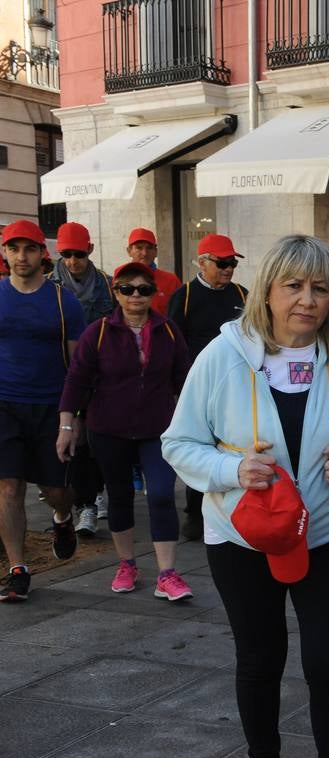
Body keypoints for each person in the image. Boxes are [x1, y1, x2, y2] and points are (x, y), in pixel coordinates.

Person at [161, 234, 329, 758]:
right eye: (294, 286)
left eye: (320, 288)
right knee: (260, 659)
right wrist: (232, 472)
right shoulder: (223, 355)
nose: (307, 300)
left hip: (326, 533)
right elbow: (178, 442)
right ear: (266, 290)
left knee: (328, 662)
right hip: (242, 536)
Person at [58, 262, 192, 599]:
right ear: (115, 293)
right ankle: (127, 563)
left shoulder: (169, 331)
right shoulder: (98, 331)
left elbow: (186, 382)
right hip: (109, 429)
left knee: (162, 494)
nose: (136, 295)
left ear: (153, 293)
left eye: (144, 289)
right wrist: (66, 424)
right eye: (127, 289)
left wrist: (194, 422)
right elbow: (77, 380)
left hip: (157, 429)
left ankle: (168, 574)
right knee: (119, 496)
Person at [0, 219, 86, 602]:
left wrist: (75, 417)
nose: (21, 256)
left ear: (42, 254)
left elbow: (77, 366)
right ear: (4, 253)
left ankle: (62, 519)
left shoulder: (62, 301)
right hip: (4, 404)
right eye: (14, 248)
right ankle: (17, 568)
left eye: (29, 248)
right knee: (8, 485)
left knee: (57, 490)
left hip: (52, 406)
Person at [167, 233, 249, 541]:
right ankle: (194, 511)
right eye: (222, 263)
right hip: (197, 385)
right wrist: (177, 387)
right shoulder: (185, 295)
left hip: (237, 386)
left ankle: (234, 504)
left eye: (232, 263)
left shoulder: (242, 294)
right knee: (199, 446)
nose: (228, 269)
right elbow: (173, 343)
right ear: (202, 263)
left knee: (231, 444)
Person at [50, 222, 115, 537]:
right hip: (66, 374)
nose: (73, 260)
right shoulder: (50, 285)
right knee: (76, 441)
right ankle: (85, 505)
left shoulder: (108, 284)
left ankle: (98, 493)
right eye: (66, 254)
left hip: (102, 375)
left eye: (78, 254)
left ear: (89, 250)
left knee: (99, 438)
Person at [126, 228, 182, 318]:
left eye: (149, 248)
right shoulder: (120, 279)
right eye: (139, 248)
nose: (144, 253)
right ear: (129, 251)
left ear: (156, 252)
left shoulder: (171, 280)